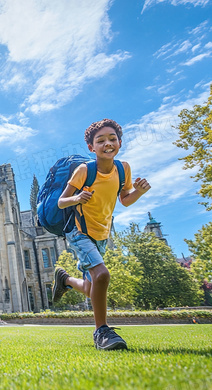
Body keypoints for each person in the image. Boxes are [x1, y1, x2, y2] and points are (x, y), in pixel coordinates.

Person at [53, 119, 150, 351]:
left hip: (102, 233)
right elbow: (61, 201)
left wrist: (139, 191)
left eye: (112, 139)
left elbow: (125, 200)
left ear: (119, 142)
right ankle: (102, 331)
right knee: (102, 275)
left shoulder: (123, 168)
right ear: (91, 147)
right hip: (79, 230)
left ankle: (65, 280)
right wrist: (77, 198)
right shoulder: (84, 170)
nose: (107, 143)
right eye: (101, 140)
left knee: (91, 287)